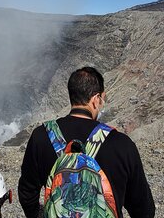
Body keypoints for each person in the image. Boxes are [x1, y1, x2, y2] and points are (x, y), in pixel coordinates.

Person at [18, 66, 155, 218]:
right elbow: (144, 210)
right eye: (102, 99)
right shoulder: (121, 144)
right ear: (96, 99)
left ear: (72, 96)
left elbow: (27, 194)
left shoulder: (41, 137)